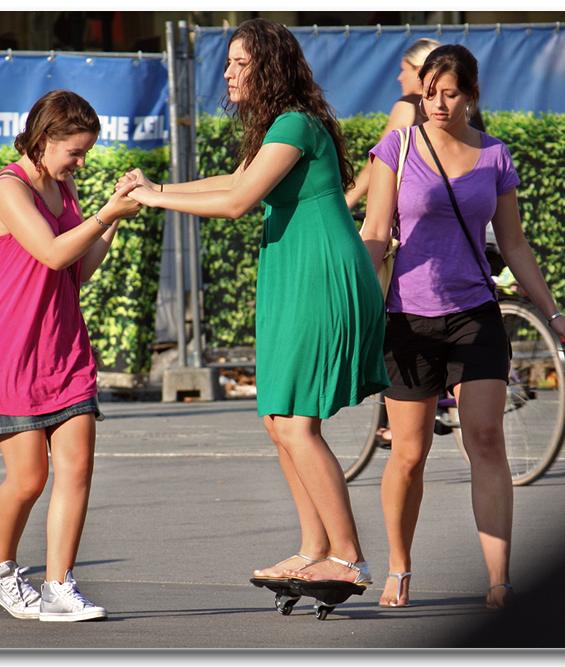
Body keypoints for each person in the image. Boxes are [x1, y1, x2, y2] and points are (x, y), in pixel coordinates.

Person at [120, 18, 389, 585]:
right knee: (277, 419)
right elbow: (233, 177)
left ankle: (348, 556)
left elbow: (237, 201)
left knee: (296, 424)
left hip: (320, 274)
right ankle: (314, 547)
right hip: (295, 274)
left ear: (270, 67)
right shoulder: (280, 127)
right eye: (229, 63)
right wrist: (158, 190)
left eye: (242, 63)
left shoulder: (295, 122)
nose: (230, 72)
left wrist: (149, 198)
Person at [361, 44, 565, 610]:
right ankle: (399, 567)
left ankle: (499, 582)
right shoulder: (397, 146)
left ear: (472, 95)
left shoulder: (494, 156)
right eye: (429, 91)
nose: (437, 103)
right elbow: (376, 230)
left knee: (485, 439)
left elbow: (512, 243)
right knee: (408, 454)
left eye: (450, 93)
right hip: (407, 320)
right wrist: (352, 302)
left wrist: (554, 312)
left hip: (475, 316)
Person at [0, 90, 141, 621]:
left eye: (86, 154)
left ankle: (60, 584)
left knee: (77, 467)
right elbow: (54, 251)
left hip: (64, 351)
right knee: (29, 478)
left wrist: (111, 219)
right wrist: (106, 211)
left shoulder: (65, 186)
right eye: (75, 153)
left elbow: (78, 270)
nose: (80, 163)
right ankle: (2, 569)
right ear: (44, 140)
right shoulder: (7, 189)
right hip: (10, 354)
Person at [345, 38, 439, 211]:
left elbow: (377, 163)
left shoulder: (408, 105)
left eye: (404, 70)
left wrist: (344, 206)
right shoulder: (466, 109)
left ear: (419, 71)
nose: (400, 78)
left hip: (422, 209)